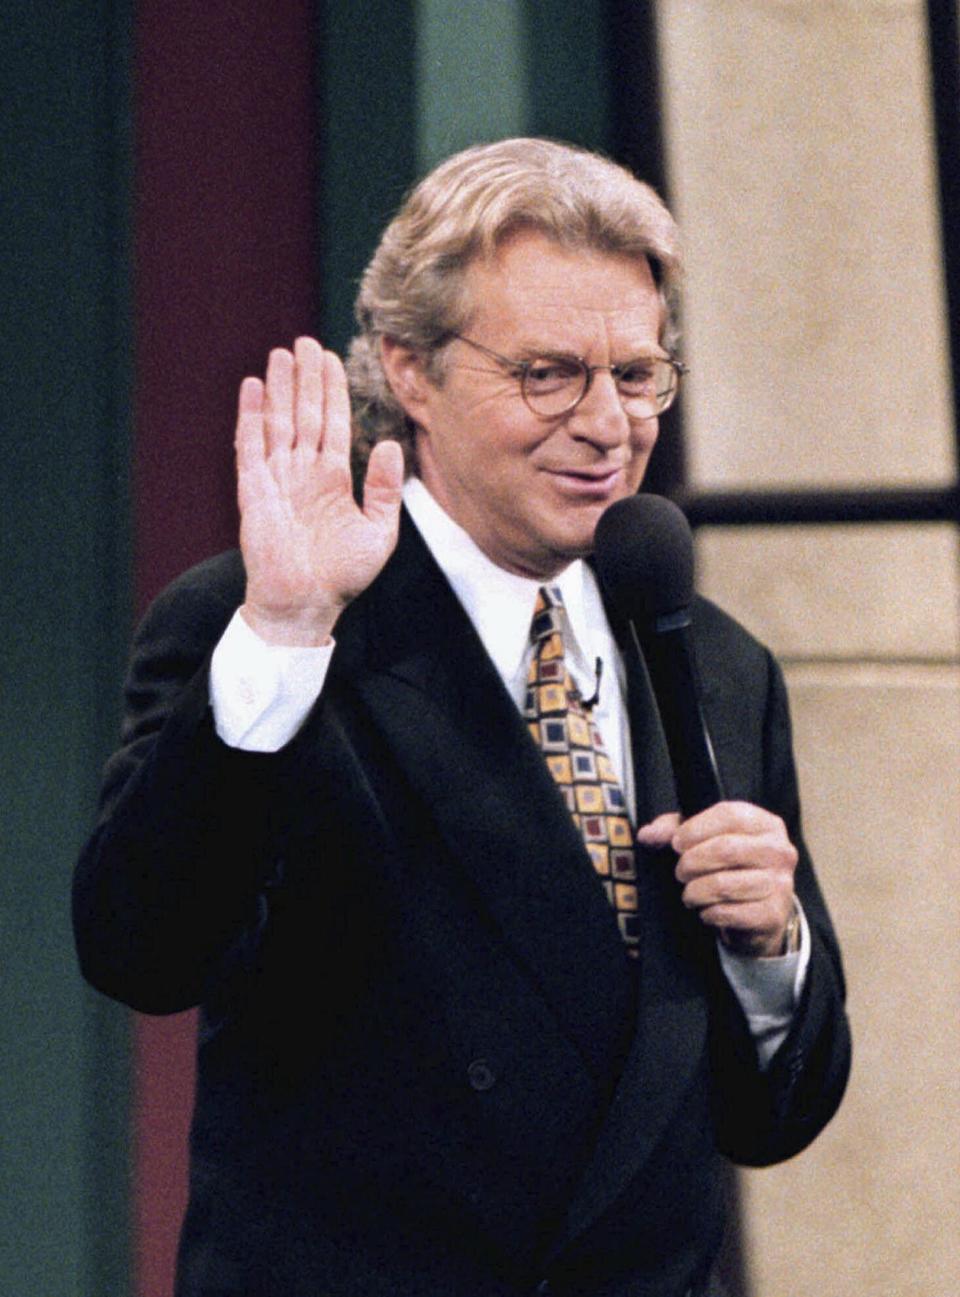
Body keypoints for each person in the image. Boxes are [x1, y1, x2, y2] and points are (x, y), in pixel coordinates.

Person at [73, 138, 850, 1297]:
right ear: (411, 368)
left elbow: (770, 1115)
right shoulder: (269, 627)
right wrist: (286, 633)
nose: (606, 423)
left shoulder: (718, 663)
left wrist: (771, 951)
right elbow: (140, 946)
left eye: (636, 377)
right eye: (549, 373)